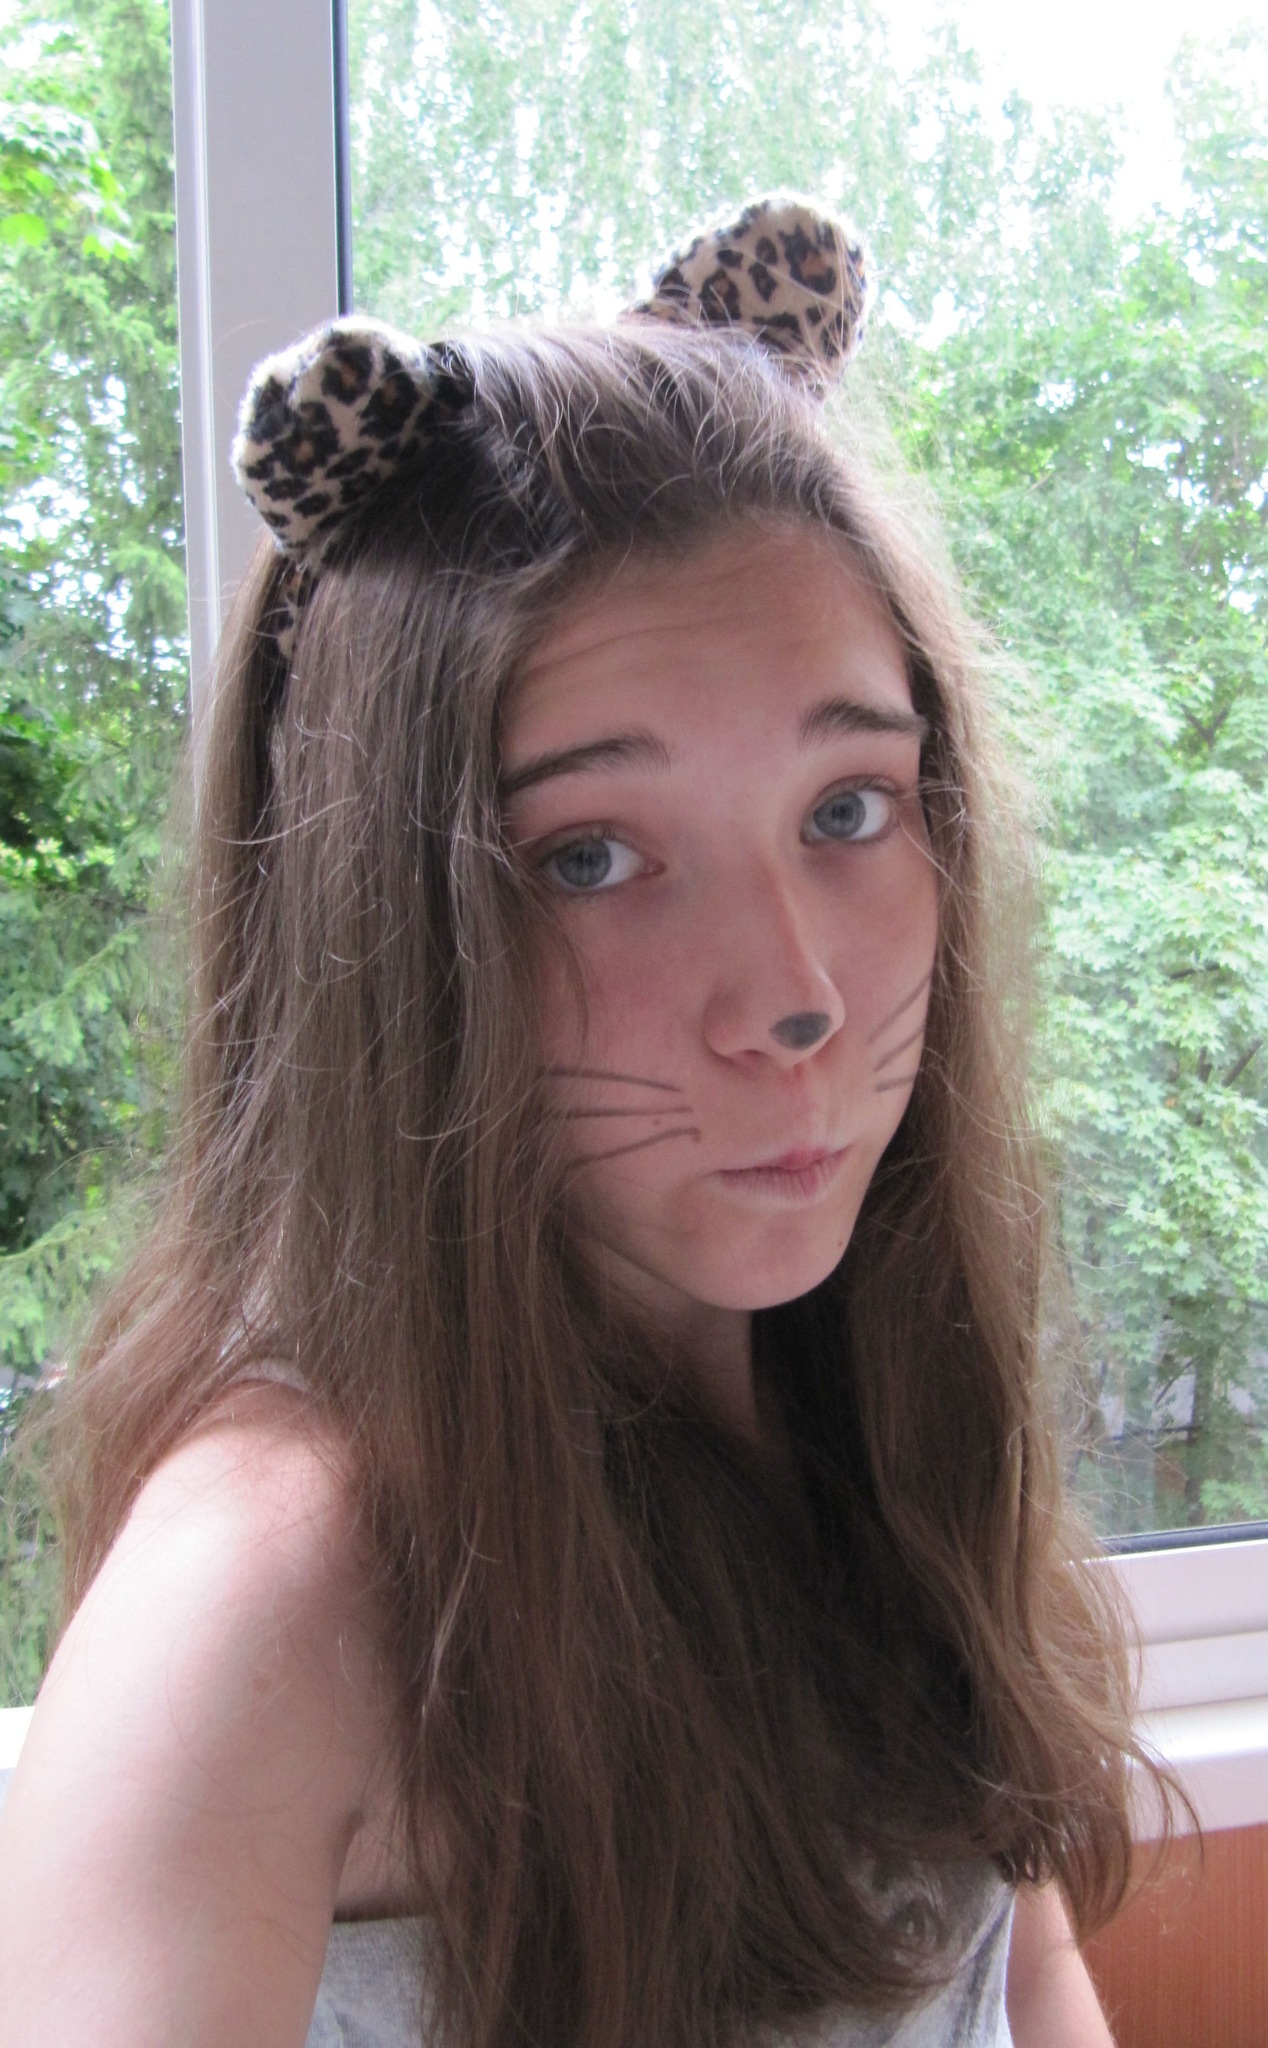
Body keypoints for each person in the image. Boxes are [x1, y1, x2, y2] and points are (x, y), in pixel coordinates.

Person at [0, 199, 1145, 2047]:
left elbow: (1017, 1978)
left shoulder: (875, 1402)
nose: (795, 994)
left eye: (847, 809)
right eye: (593, 857)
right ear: (387, 942)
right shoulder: (270, 1593)